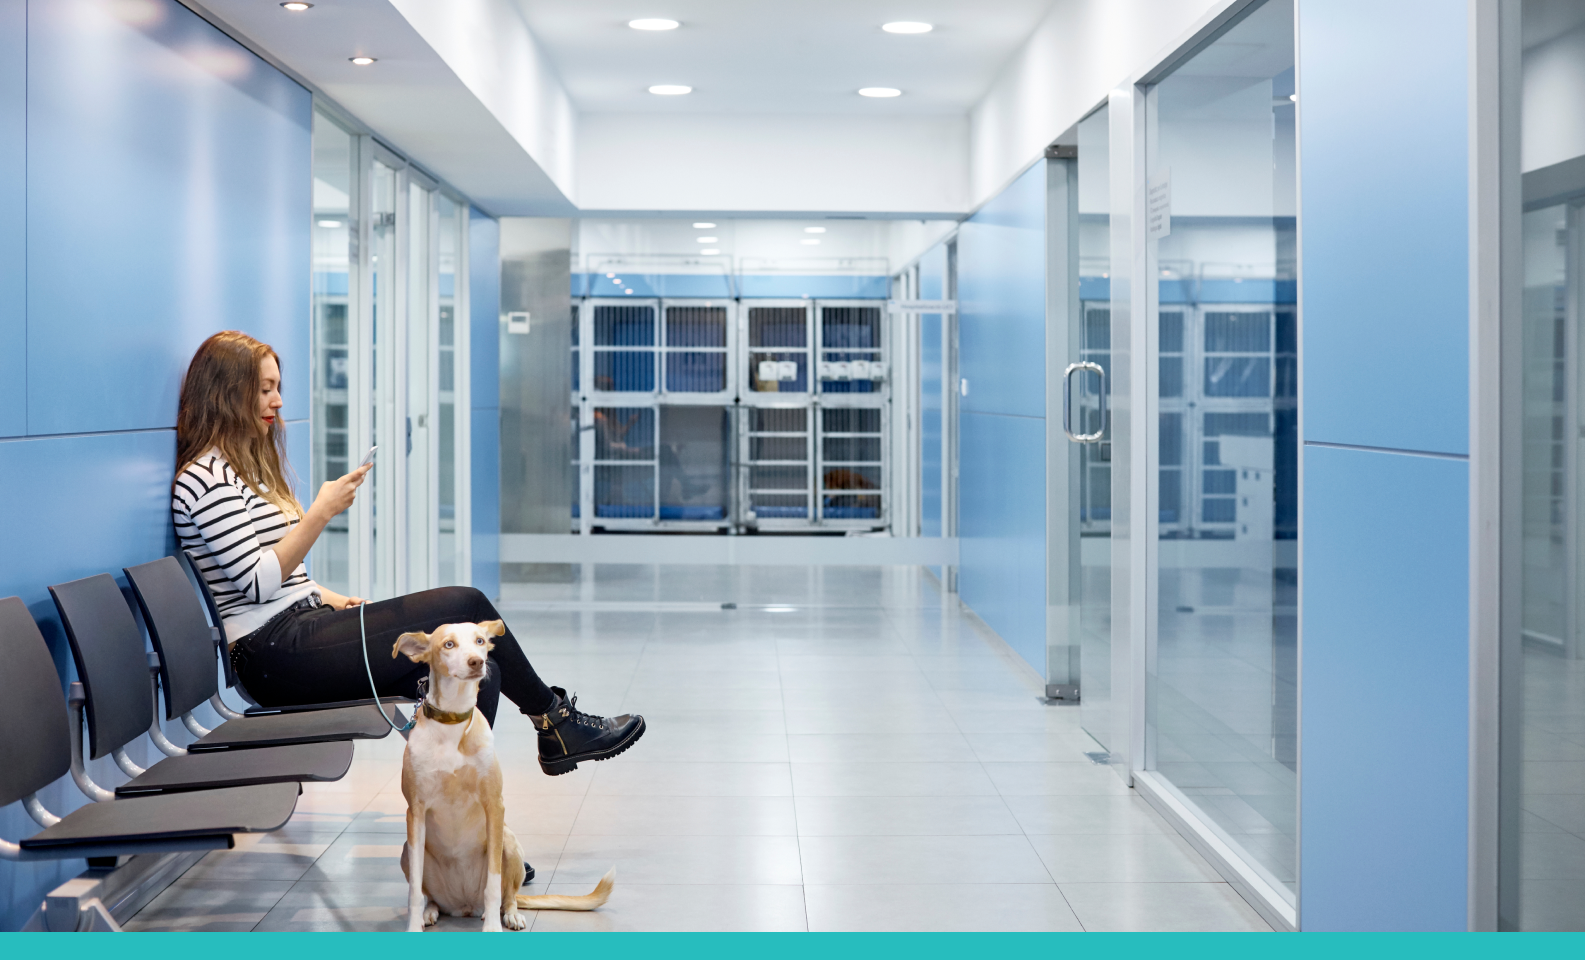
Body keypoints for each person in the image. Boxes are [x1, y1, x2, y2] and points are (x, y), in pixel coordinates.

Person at [170, 331, 644, 778]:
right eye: (264, 389)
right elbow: (256, 583)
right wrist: (321, 512)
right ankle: (555, 723)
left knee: (485, 671)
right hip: (270, 654)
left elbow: (280, 576)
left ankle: (459, 821)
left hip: (297, 628)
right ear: (228, 393)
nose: (277, 401)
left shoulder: (243, 470)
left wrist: (331, 598)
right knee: (466, 603)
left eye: (278, 387)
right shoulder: (206, 479)